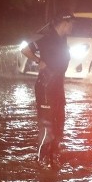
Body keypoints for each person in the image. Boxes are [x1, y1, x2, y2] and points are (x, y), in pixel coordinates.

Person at [21, 13, 74, 169]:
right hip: (46, 87)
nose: (72, 27)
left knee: (59, 122)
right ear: (64, 23)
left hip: (57, 87)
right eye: (71, 24)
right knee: (47, 124)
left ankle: (53, 156)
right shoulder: (47, 38)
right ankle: (41, 159)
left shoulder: (62, 39)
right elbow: (25, 49)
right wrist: (38, 60)